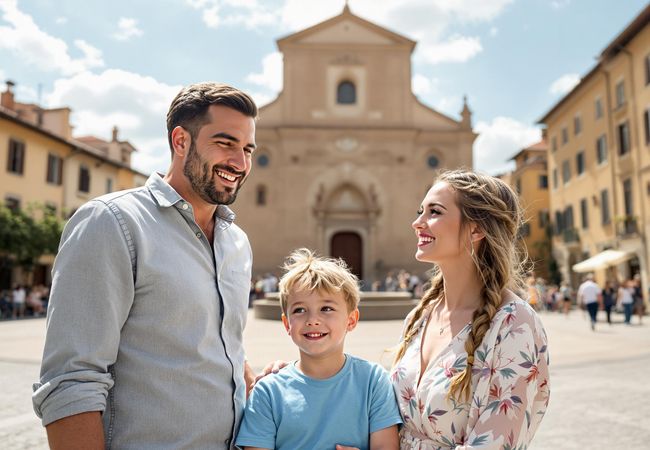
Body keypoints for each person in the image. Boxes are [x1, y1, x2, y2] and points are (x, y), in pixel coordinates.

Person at [33, 82, 258, 449]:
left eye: (247, 149)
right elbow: (71, 381)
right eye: (225, 143)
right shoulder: (112, 222)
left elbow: (219, 346)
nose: (240, 163)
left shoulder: (237, 242)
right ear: (181, 141)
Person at [388, 169, 550, 449]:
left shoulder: (514, 324)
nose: (417, 223)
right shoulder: (420, 316)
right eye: (420, 211)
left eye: (434, 212)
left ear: (476, 229)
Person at [236, 249, 401, 450]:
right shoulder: (267, 392)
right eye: (300, 310)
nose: (312, 320)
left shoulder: (373, 381)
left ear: (351, 320)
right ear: (287, 324)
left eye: (326, 309)